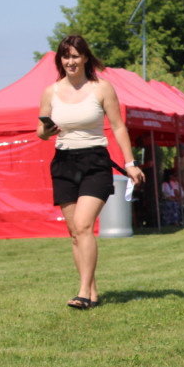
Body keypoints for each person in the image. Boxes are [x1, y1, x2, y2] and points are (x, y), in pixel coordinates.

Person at [37, 34, 145, 309]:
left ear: (85, 57)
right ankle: (92, 291)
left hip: (95, 161)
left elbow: (119, 126)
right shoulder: (51, 91)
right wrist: (45, 131)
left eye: (75, 55)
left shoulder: (101, 88)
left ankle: (83, 292)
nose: (70, 61)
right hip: (63, 162)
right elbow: (40, 133)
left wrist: (130, 163)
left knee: (85, 225)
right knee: (75, 232)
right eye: (65, 56)